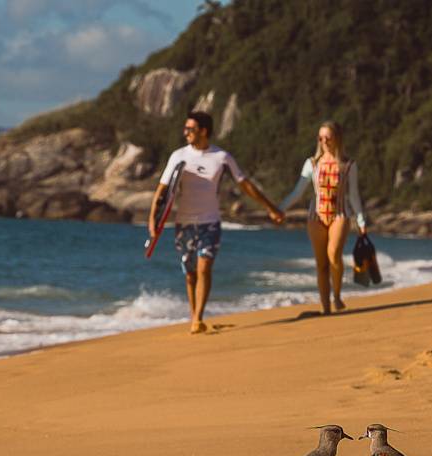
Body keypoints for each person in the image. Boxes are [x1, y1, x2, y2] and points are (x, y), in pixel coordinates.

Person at [149, 111, 284, 334]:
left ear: (203, 131)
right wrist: (153, 221)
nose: (186, 133)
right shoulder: (178, 156)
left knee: (204, 267)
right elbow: (162, 191)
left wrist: (270, 208)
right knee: (190, 274)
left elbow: (245, 185)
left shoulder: (221, 157)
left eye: (190, 129)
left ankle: (198, 317)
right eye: (185, 129)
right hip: (184, 223)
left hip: (210, 222)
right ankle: (194, 317)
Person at [280, 121, 368, 314]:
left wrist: (361, 221)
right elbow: (297, 192)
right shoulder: (311, 163)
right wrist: (280, 210)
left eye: (328, 137)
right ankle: (326, 308)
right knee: (321, 264)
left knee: (334, 255)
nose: (324, 141)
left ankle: (336, 295)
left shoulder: (349, 165)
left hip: (340, 215)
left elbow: (353, 195)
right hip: (316, 216)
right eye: (321, 138)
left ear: (337, 138)